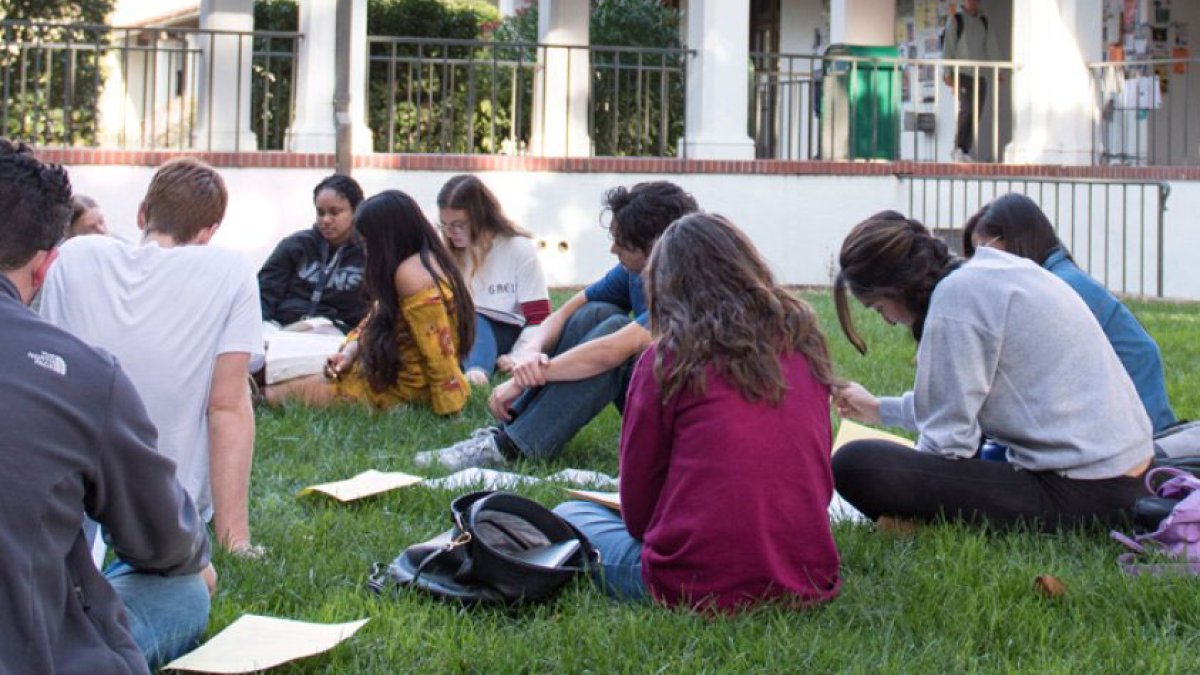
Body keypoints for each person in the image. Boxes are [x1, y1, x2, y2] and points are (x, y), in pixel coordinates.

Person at [553, 213, 841, 611]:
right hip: (808, 572)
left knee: (569, 513)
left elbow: (638, 515)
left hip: (694, 583)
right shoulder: (803, 344)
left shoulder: (666, 359)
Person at [0, 138, 213, 673]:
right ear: (45, 266)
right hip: (36, 652)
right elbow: (165, 543)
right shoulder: (82, 375)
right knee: (183, 592)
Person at [831, 212, 1154, 531]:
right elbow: (957, 403)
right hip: (1125, 474)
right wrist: (878, 410)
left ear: (897, 287)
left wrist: (913, 490)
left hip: (1088, 493)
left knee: (855, 464)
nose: (887, 320)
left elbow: (948, 445)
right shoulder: (992, 270)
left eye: (879, 307)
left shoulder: (955, 301)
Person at [40, 157, 264, 556]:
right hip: (163, 506)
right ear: (209, 232)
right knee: (237, 390)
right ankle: (232, 535)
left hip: (64, 488)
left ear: (142, 212)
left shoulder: (75, 255)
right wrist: (236, 541)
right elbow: (226, 407)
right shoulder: (230, 271)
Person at [416, 181, 699, 470]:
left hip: (684, 424)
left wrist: (527, 377)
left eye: (622, 242)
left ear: (654, 246)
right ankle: (506, 431)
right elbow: (566, 311)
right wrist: (532, 351)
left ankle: (512, 448)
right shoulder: (637, 270)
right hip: (660, 393)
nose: (613, 248)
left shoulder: (688, 287)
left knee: (613, 331)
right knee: (598, 313)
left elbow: (611, 351)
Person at [961, 193, 1176, 433]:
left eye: (984, 249)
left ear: (1015, 239)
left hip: (1136, 423)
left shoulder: (1059, 286)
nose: (979, 264)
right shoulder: (1051, 279)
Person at [264, 189, 474, 414]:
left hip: (401, 391)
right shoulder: (423, 261)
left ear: (386, 239)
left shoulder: (412, 276)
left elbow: (438, 351)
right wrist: (349, 352)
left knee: (271, 393)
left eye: (367, 242)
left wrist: (450, 409)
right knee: (277, 374)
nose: (365, 249)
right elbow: (378, 318)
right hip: (379, 372)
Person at [437, 174, 551, 387]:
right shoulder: (447, 253)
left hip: (503, 332)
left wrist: (519, 356)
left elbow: (539, 318)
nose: (450, 233)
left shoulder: (519, 249)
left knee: (476, 316)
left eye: (458, 224)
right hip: (458, 333)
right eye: (444, 225)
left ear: (481, 216)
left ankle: (476, 375)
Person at [258, 174, 368, 333]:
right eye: (320, 213)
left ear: (356, 211)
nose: (326, 220)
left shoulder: (367, 253)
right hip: (280, 326)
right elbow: (264, 294)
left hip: (334, 334)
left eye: (334, 212)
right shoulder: (296, 245)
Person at [941, 0, 1001, 162]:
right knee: (966, 109)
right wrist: (947, 73)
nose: (972, 2)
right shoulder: (957, 20)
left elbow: (992, 46)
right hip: (962, 73)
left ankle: (965, 149)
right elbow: (949, 46)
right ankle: (958, 148)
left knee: (976, 112)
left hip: (979, 75)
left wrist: (999, 70)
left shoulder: (983, 20)